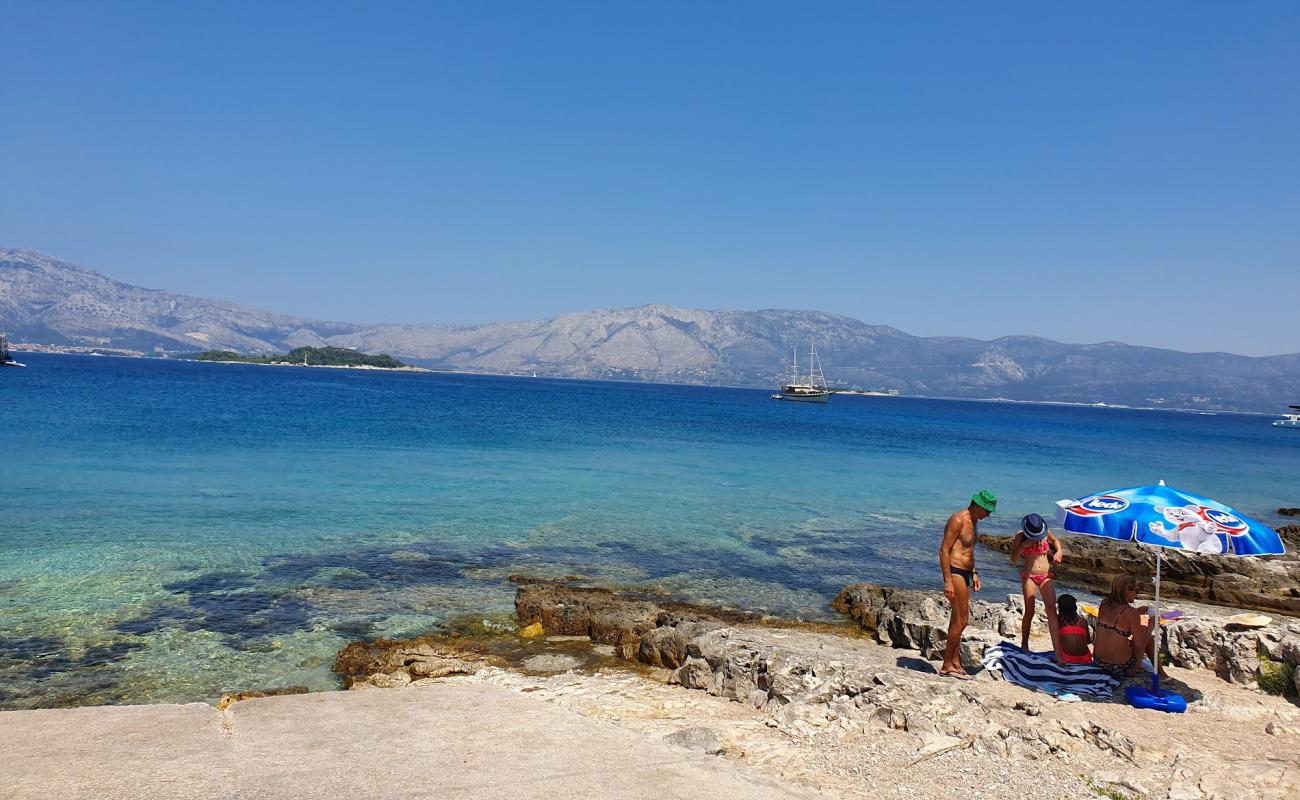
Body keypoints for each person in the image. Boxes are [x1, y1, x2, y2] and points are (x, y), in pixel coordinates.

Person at [938, 489, 996, 679]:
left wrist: (974, 572)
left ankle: (955, 661)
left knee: (958, 619)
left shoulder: (975, 522)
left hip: (966, 572)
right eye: (987, 510)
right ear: (977, 505)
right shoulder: (958, 520)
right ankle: (947, 664)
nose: (988, 515)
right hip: (954, 572)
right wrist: (947, 580)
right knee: (962, 619)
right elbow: (944, 550)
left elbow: (968, 551)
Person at [1008, 513, 1064, 659]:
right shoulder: (1020, 536)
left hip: (1046, 575)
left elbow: (1055, 540)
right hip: (1029, 577)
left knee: (1051, 609)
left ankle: (1058, 652)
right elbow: (1013, 560)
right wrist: (1023, 547)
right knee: (1030, 610)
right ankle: (1024, 644)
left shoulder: (1044, 532)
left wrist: (1059, 552)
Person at [1093, 574, 1157, 679]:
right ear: (1127, 592)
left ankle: (1162, 673)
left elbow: (1115, 621)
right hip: (1120, 668)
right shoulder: (1131, 613)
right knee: (1147, 638)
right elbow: (1141, 644)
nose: (1136, 593)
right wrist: (1151, 625)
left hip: (1098, 662)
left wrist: (1137, 612)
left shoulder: (1104, 604)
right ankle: (1162, 674)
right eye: (1135, 590)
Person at [1056, 594, 1092, 665]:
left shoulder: (1058, 621)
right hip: (1086, 658)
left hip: (1067, 659)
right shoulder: (1083, 622)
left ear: (1060, 607)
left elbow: (1056, 641)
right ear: (1075, 607)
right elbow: (1088, 641)